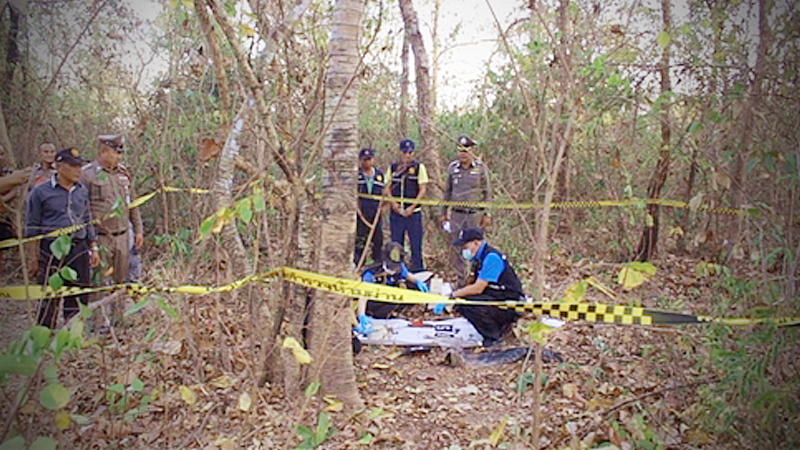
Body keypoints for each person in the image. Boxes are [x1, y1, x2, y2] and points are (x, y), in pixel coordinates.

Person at [25, 148, 99, 328]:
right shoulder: (40, 192)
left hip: (78, 247)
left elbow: (87, 219)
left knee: (79, 292)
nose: (78, 170)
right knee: (50, 294)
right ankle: (44, 331)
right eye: (73, 166)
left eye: (79, 166)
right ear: (59, 167)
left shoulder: (81, 191)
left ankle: (72, 330)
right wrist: (33, 258)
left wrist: (93, 246)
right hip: (51, 249)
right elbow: (32, 227)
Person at [80, 135, 143, 285]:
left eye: (121, 153)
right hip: (100, 237)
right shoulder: (87, 174)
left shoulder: (123, 174)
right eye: (116, 153)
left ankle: (119, 309)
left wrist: (138, 229)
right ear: (103, 152)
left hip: (122, 236)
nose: (119, 157)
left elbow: (132, 204)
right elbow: (82, 210)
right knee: (100, 283)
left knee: (121, 282)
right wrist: (91, 242)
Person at [450, 227, 522, 347]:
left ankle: (494, 337)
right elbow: (473, 283)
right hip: (495, 297)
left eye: (466, 247)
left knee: (468, 305)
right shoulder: (479, 259)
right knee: (462, 303)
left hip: (508, 303)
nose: (464, 250)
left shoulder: (491, 258)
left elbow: (478, 288)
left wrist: (454, 295)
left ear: (476, 243)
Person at [441, 135, 492, 287]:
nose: (463, 154)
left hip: (474, 216)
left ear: (472, 151)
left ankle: (478, 281)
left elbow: (487, 193)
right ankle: (461, 282)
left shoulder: (480, 168)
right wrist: (444, 213)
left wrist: (487, 213)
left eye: (466, 151)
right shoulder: (453, 168)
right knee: (459, 250)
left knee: (476, 248)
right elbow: (447, 193)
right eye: (460, 151)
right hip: (457, 215)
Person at [355, 242, 429, 334]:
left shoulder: (399, 267)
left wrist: (418, 282)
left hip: (391, 294)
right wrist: (361, 315)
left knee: (411, 290)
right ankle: (375, 315)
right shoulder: (371, 273)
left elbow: (406, 275)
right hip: (375, 300)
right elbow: (363, 296)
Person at [386, 139, 429, 272]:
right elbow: (386, 187)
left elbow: (423, 189)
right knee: (396, 245)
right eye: (405, 152)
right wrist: (393, 203)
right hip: (397, 213)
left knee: (416, 245)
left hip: (414, 213)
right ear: (400, 152)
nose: (407, 155)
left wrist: (412, 206)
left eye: (410, 152)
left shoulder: (418, 168)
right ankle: (397, 272)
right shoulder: (394, 168)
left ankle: (418, 272)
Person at [354, 147, 386, 266]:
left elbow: (386, 193)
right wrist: (358, 210)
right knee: (360, 241)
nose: (367, 162)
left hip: (376, 214)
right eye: (364, 160)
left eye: (369, 159)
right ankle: (358, 264)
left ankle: (377, 264)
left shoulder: (380, 175)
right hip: (361, 214)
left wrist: (385, 207)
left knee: (378, 241)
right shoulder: (356, 175)